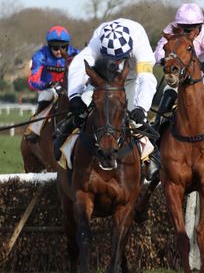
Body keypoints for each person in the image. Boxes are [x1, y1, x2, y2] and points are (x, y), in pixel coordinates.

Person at [55, 18, 159, 179]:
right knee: (81, 112)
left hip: (130, 80)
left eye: (120, 58)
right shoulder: (98, 39)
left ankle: (151, 157)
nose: (117, 63)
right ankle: (65, 140)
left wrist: (141, 108)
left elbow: (147, 79)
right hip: (102, 80)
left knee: (137, 120)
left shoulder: (140, 43)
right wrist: (75, 96)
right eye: (113, 59)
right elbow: (78, 65)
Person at [153, 3, 204, 149]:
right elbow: (160, 50)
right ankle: (155, 131)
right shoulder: (170, 31)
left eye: (191, 29)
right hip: (180, 73)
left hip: (201, 72)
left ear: (199, 26)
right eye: (184, 28)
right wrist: (162, 59)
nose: (187, 32)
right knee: (168, 92)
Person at [24, 26, 79, 140]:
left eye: (63, 47)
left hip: (69, 88)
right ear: (49, 46)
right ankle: (35, 128)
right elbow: (33, 80)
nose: (59, 51)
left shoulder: (75, 54)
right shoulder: (40, 56)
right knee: (48, 94)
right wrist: (46, 84)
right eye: (55, 47)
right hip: (48, 88)